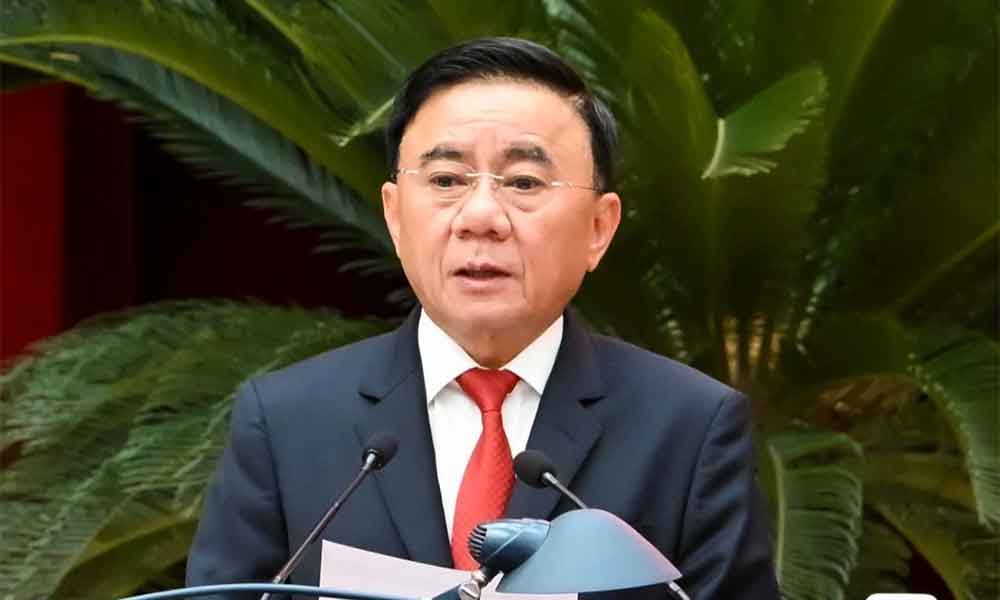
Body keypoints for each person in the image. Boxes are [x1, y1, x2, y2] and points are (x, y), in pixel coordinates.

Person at [186, 37, 779, 599]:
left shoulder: (689, 429)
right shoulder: (287, 422)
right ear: (395, 215)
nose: (481, 216)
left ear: (599, 227)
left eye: (524, 182)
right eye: (446, 180)